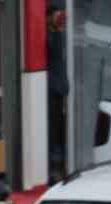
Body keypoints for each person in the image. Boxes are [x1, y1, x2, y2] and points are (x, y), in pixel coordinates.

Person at [47, 9, 69, 178]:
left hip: (59, 90)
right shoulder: (51, 37)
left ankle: (59, 161)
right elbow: (54, 53)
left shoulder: (61, 37)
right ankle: (55, 164)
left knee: (60, 129)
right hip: (52, 92)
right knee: (53, 130)